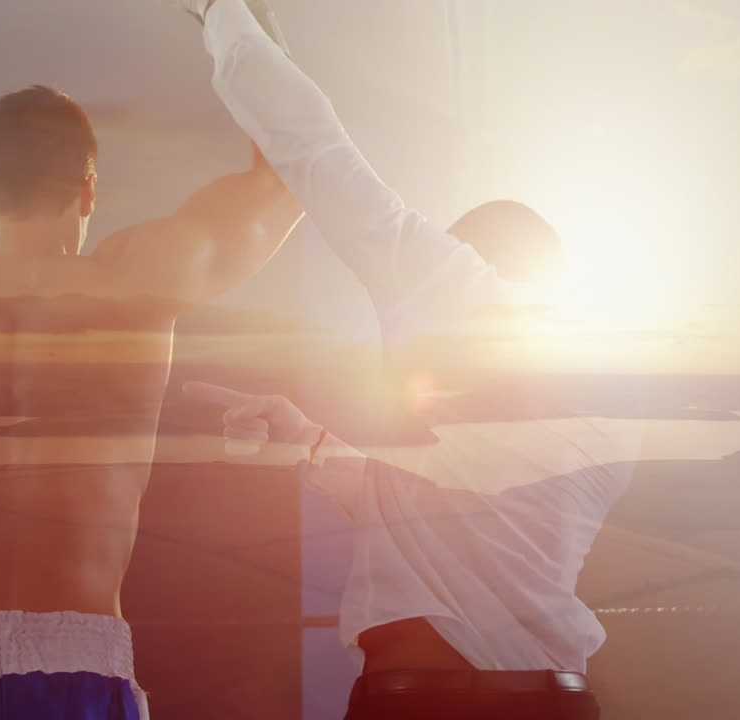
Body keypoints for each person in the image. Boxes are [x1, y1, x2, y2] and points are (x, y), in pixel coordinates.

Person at [179, 1, 637, 717]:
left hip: (424, 697)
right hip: (555, 701)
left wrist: (221, 16)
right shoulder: (612, 409)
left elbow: (316, 149)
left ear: (472, 259)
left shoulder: (454, 290)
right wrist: (312, 441)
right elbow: (458, 512)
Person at [0, 85, 303, 718]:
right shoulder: (138, 283)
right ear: (89, 191)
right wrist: (247, 28)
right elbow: (295, 169)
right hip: (81, 675)